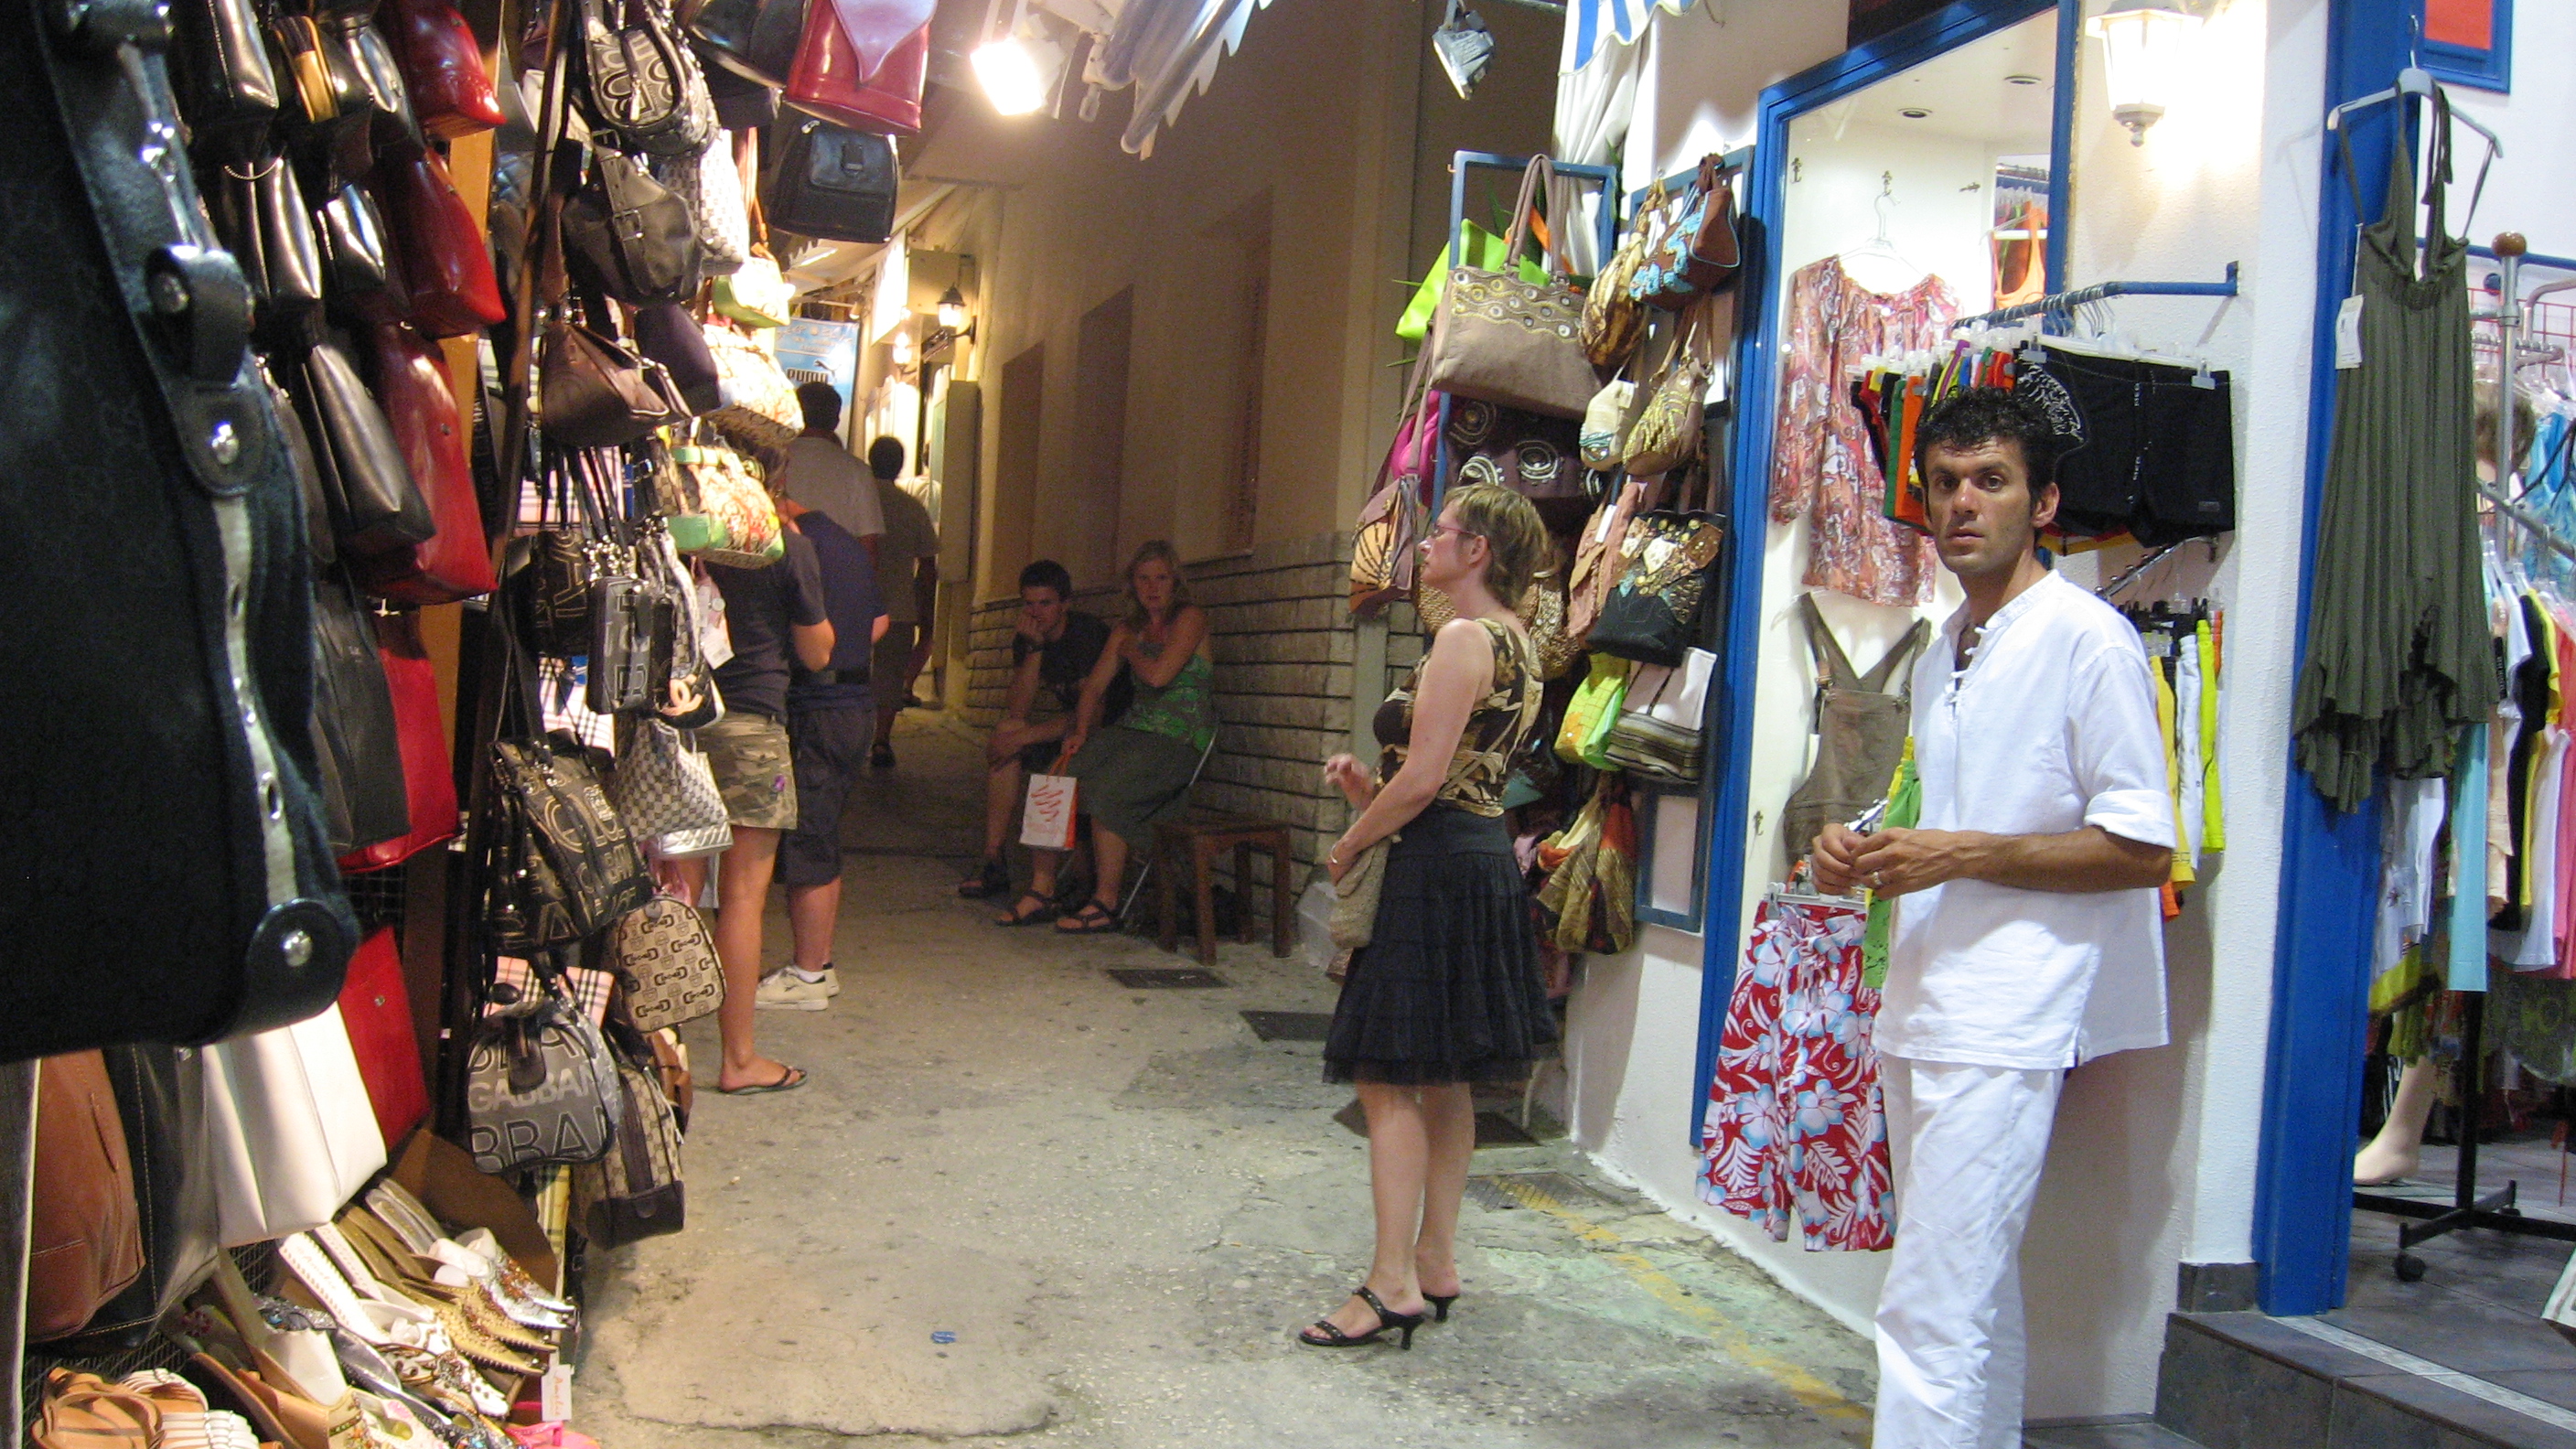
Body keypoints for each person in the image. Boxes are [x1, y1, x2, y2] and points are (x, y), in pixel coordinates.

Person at [1809, 388, 2175, 1448]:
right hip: (1926, 994)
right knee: (1965, 1290)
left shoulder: (2088, 641)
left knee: (1929, 1306)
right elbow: (1953, 809)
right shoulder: (1943, 649)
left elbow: (2142, 847)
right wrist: (1858, 844)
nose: (1961, 504)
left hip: (2009, 1009)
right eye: (1943, 484)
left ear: (2042, 502)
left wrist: (1956, 853)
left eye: (1990, 481)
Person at [1301, 482, 1556, 1351]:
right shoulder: (1521, 644)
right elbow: (1457, 781)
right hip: (1477, 860)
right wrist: (1369, 793)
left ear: (1478, 550)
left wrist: (1350, 842)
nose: (1426, 544)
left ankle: (1389, 1283)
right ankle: (1435, 1261)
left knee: (1385, 1076)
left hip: (1435, 872)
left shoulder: (1462, 637)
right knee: (1446, 1076)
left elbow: (1423, 780)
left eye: (1442, 532)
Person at [688, 502, 836, 1094]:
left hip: (678, 722)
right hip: (751, 726)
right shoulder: (784, 546)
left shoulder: (678, 535)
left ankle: (656, 1054)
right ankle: (739, 1060)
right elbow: (817, 652)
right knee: (742, 900)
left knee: (673, 893)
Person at [1033, 542, 1217, 935]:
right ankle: (1041, 889)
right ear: (1132, 584)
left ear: (1175, 581)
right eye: (1143, 579)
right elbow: (1094, 688)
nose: (1153, 587)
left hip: (1178, 737)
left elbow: (1159, 676)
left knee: (1107, 792)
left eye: (1161, 578)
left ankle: (1106, 901)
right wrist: (1080, 731)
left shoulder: (1189, 618)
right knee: (1054, 778)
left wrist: (1130, 650)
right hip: (1134, 729)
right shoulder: (1126, 628)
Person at [755, 494, 889, 1012]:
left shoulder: (795, 546)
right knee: (822, 833)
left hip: (819, 703)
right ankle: (820, 965)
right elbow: (879, 623)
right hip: (854, 703)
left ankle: (808, 974)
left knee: (807, 838)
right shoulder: (847, 543)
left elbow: (814, 641)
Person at [961, 560, 1125, 907]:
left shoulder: (1085, 635)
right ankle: (993, 857)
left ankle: (1052, 881)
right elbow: (1018, 709)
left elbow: (1093, 715)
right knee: (1008, 732)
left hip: (1108, 732)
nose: (1036, 612)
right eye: (1030, 603)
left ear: (1065, 603)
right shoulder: (1029, 637)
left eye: (1046, 603)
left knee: (1016, 739)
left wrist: (1025, 737)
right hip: (1073, 732)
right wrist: (1034, 649)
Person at [863, 435, 940, 769]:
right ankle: (881, 740)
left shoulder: (858, 500)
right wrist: (926, 612)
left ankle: (849, 738)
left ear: (870, 461)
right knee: (890, 676)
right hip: (899, 606)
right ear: (899, 465)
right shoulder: (911, 508)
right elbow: (928, 565)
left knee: (852, 671)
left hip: (856, 605)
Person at [777, 383, 884, 559]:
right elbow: (868, 542)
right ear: (836, 422)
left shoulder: (773, 461)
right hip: (834, 570)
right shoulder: (857, 471)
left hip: (777, 567)